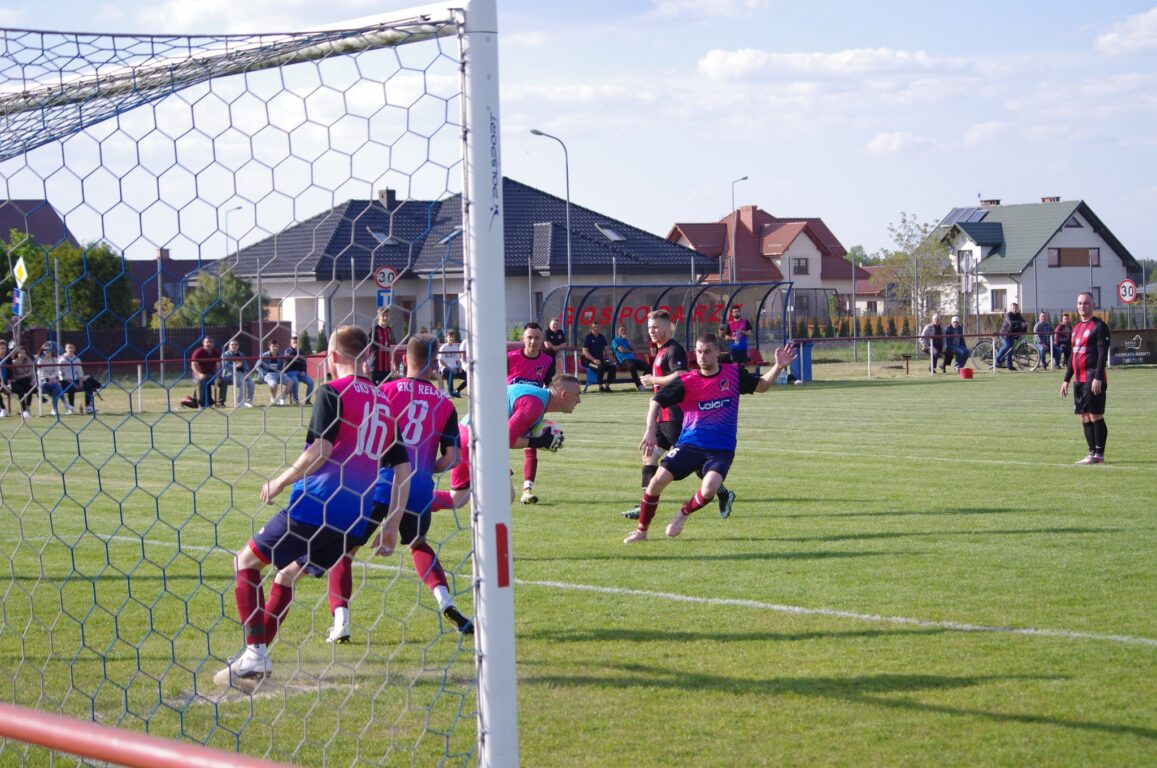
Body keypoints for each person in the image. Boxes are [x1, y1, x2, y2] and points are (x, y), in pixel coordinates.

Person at [214, 325, 412, 689]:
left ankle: (255, 653)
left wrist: (280, 480)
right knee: (286, 575)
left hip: (315, 505)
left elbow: (320, 451)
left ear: (332, 357)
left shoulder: (332, 392)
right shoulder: (385, 401)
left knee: (245, 561)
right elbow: (402, 468)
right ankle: (253, 660)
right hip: (355, 518)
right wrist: (391, 524)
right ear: (366, 356)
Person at [324, 334, 471, 643]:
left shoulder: (383, 391)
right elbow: (452, 458)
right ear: (434, 364)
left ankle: (341, 621)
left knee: (344, 552)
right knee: (417, 544)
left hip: (378, 484)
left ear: (405, 360)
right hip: (418, 488)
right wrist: (427, 467)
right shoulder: (445, 402)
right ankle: (446, 600)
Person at [624, 334, 796, 543]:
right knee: (656, 482)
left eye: (707, 352)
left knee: (709, 488)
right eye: (698, 352)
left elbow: (761, 385)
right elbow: (656, 401)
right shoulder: (687, 381)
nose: (702, 356)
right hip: (690, 444)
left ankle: (682, 514)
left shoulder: (733, 374)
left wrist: (778, 367)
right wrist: (650, 430)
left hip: (721, 448)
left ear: (717, 353)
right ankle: (641, 531)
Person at [621, 310, 738, 521]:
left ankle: (722, 493)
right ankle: (645, 502)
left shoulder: (673, 350)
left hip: (677, 415)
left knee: (693, 461)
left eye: (656, 327)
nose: (652, 332)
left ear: (668, 327)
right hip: (663, 415)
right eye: (649, 328)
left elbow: (682, 375)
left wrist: (654, 380)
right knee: (649, 454)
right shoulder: (660, 350)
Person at [429, 374, 582, 513]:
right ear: (564, 394)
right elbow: (506, 439)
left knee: (458, 499)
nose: (579, 400)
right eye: (577, 395)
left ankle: (414, 502)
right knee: (504, 497)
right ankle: (488, 539)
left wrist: (539, 440)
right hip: (477, 440)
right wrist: (539, 442)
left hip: (467, 434)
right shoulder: (535, 405)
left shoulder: (537, 397)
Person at [507, 322, 556, 504]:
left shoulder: (547, 361)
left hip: (532, 410)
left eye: (536, 338)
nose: (533, 341)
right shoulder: (510, 358)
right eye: (529, 337)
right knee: (501, 444)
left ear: (542, 340)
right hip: (509, 410)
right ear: (523, 339)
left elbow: (549, 386)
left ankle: (527, 490)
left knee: (531, 447)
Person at [1060, 292, 1111, 465]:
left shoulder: (1099, 326)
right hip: (1078, 380)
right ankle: (1091, 453)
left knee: (1095, 415)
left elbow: (1103, 354)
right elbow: (1073, 357)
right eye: (1080, 303)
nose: (1083, 306)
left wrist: (1098, 377)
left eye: (1086, 303)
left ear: (1093, 305)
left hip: (1092, 378)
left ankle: (1099, 454)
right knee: (1083, 416)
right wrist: (1066, 379)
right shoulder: (1075, 328)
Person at [581, 322, 616, 392]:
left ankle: (607, 386)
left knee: (613, 367)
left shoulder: (601, 337)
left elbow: (606, 349)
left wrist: (611, 359)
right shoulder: (588, 337)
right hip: (590, 362)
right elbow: (585, 351)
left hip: (601, 361)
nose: (596, 329)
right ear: (591, 328)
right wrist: (594, 360)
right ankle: (600, 387)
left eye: (597, 327)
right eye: (594, 327)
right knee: (600, 367)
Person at [220, 339, 255, 407]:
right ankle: (240, 402)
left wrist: (246, 371)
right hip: (230, 374)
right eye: (232, 344)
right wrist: (234, 366)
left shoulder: (241, 354)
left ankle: (249, 401)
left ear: (238, 346)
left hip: (242, 374)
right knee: (243, 382)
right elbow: (225, 366)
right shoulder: (225, 354)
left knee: (251, 382)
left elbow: (246, 365)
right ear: (229, 346)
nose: (234, 346)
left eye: (236, 344)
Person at [35, 342, 67, 415]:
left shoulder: (55, 360)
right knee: (56, 387)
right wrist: (49, 378)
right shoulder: (40, 361)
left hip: (53, 381)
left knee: (56, 387)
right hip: (43, 381)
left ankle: (54, 409)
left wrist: (52, 378)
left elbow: (57, 371)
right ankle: (65, 402)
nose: (47, 352)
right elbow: (41, 372)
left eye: (49, 350)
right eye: (45, 350)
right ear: (42, 351)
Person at [611, 325, 647, 391]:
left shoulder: (628, 340)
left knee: (648, 367)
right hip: (623, 360)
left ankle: (641, 382)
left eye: (624, 330)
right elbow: (621, 350)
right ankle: (639, 386)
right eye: (621, 330)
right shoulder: (615, 340)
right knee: (632, 367)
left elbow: (635, 349)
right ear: (618, 332)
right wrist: (630, 351)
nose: (623, 332)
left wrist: (628, 340)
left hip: (633, 359)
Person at [255, 339, 289, 405]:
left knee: (291, 382)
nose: (275, 348)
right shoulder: (264, 355)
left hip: (278, 373)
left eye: (276, 346)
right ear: (269, 347)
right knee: (274, 384)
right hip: (268, 374)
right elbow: (257, 366)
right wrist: (264, 374)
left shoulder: (281, 355)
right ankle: (273, 399)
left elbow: (284, 365)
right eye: (273, 346)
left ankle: (282, 400)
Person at [284, 334, 315, 405]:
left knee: (311, 383)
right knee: (295, 381)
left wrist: (303, 371)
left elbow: (304, 362)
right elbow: (288, 358)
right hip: (290, 372)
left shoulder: (301, 351)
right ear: (290, 343)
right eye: (294, 342)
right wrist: (296, 352)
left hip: (300, 372)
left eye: (297, 342)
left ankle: (307, 400)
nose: (296, 344)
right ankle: (296, 400)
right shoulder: (288, 351)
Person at [190, 336, 221, 409]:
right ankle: (201, 404)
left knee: (223, 382)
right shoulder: (198, 352)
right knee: (202, 381)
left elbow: (218, 365)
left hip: (211, 375)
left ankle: (221, 403)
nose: (209, 344)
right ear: (203, 343)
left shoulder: (216, 352)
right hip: (198, 375)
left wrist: (218, 376)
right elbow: (193, 365)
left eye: (211, 342)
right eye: (207, 342)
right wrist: (199, 374)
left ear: (213, 343)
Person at [368, 307, 396, 384]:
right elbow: (369, 348)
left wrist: (393, 364)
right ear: (378, 317)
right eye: (383, 316)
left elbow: (390, 348)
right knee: (374, 390)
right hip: (376, 367)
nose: (385, 317)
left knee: (387, 390)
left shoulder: (389, 330)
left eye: (387, 315)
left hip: (387, 368)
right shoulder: (374, 330)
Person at [995, 302, 1027, 370]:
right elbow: (1011, 323)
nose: (1015, 309)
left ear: (1018, 308)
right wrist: (1020, 323)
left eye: (1016, 308)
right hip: (1005, 334)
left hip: (1012, 334)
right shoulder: (1008, 315)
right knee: (1007, 346)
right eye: (1013, 308)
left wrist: (1024, 323)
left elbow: (1023, 321)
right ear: (1011, 308)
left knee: (1010, 349)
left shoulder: (1018, 315)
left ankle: (1009, 365)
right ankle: (997, 360)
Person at [6, 346, 36, 417]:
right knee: (20, 391)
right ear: (17, 354)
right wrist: (25, 375)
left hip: (27, 381)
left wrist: (27, 357)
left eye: (24, 352)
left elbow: (32, 371)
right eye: (20, 353)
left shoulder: (28, 361)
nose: (22, 354)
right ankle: (24, 410)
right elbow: (14, 377)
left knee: (30, 389)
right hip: (17, 382)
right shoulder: (14, 363)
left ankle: (28, 409)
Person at [58, 343, 86, 414]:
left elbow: (80, 371)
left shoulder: (77, 359)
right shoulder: (61, 359)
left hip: (76, 379)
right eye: (69, 348)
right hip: (65, 380)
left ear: (74, 349)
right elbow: (60, 373)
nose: (70, 349)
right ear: (65, 349)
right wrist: (72, 383)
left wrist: (81, 382)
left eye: (72, 348)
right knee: (71, 388)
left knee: (89, 385)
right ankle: (71, 408)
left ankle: (89, 406)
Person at [438, 329, 467, 397]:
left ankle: (457, 390)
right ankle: (450, 392)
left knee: (469, 377)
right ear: (446, 338)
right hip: (445, 368)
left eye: (453, 337)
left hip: (455, 367)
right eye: (450, 337)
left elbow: (458, 360)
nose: (451, 338)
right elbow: (441, 361)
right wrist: (449, 367)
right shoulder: (443, 347)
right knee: (450, 372)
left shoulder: (456, 347)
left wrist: (460, 367)